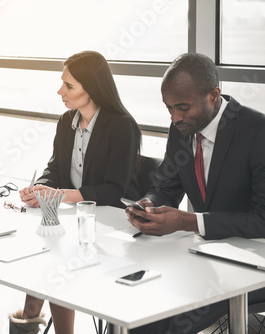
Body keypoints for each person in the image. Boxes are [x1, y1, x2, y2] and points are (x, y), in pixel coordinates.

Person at [126, 52, 265, 333]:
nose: (175, 117)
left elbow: (262, 219)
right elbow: (165, 186)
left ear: (214, 95)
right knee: (131, 306)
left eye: (183, 107)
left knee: (167, 321)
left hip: (253, 263)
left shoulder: (257, 131)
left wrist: (189, 221)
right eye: (168, 108)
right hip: (204, 255)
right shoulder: (182, 128)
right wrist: (148, 205)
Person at [11, 51, 142, 334]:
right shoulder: (66, 122)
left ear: (92, 87)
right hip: (72, 222)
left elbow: (113, 190)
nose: (60, 91)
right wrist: (40, 189)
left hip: (106, 229)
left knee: (52, 259)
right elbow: (55, 169)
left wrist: (60, 195)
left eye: (69, 86)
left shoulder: (122, 126)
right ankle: (30, 321)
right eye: (63, 83)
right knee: (46, 255)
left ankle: (30, 322)